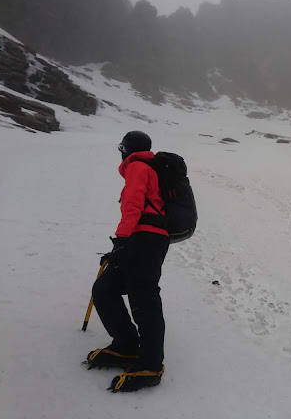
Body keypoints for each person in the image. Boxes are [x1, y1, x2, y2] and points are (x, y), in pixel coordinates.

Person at [86, 131, 170, 393]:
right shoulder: (147, 168)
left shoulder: (138, 166)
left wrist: (122, 241)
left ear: (127, 149)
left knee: (143, 299)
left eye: (121, 148)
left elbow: (133, 205)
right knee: (105, 289)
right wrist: (122, 244)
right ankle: (126, 346)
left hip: (145, 240)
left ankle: (151, 366)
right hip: (142, 238)